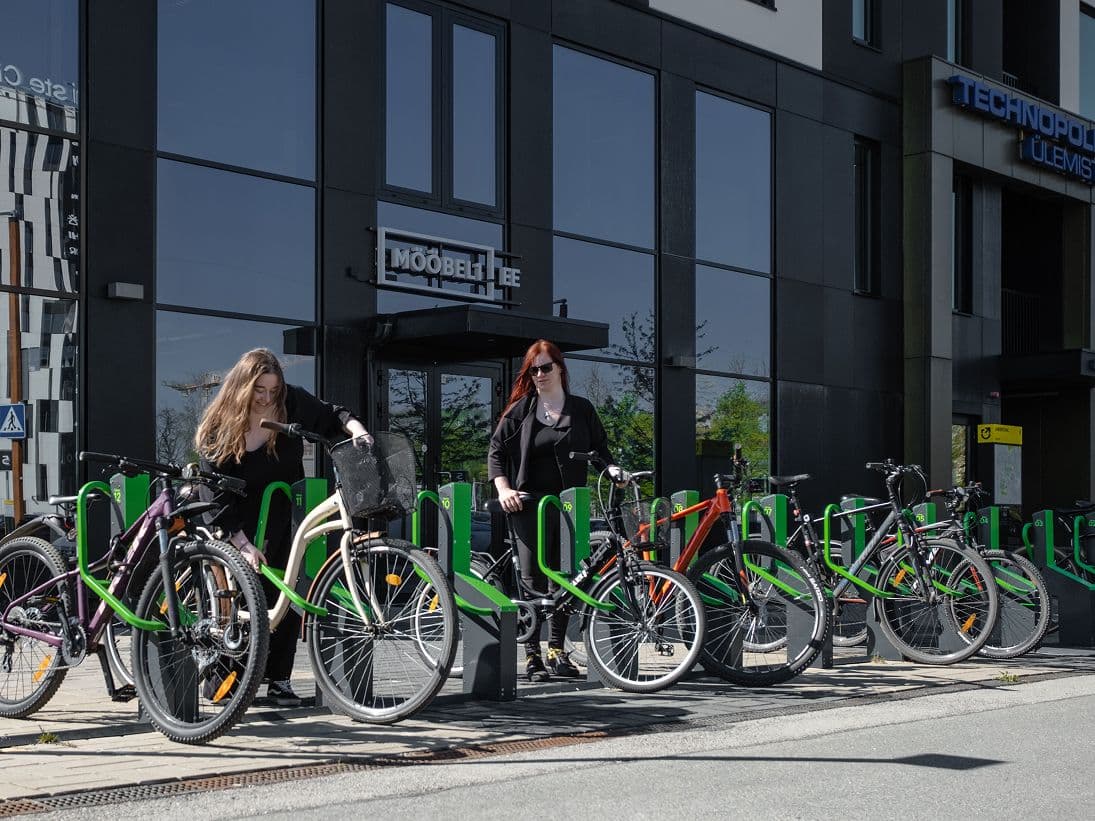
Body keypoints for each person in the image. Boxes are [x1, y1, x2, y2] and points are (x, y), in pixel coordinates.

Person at [195, 348, 371, 706]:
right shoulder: (219, 425)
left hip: (279, 510)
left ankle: (279, 679)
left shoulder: (290, 402)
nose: (266, 398)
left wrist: (357, 429)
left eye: (272, 390)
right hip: (232, 516)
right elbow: (211, 488)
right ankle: (227, 677)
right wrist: (241, 542)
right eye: (259, 389)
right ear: (242, 387)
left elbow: (330, 414)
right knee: (240, 594)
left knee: (286, 592)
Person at [487, 339, 624, 681]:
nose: (540, 375)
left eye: (546, 367)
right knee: (532, 580)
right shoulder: (522, 409)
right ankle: (533, 657)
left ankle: (557, 651)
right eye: (533, 369)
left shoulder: (582, 409)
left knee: (564, 579)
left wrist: (612, 470)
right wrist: (503, 489)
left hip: (567, 506)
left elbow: (601, 451)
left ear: (561, 368)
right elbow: (495, 451)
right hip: (527, 505)